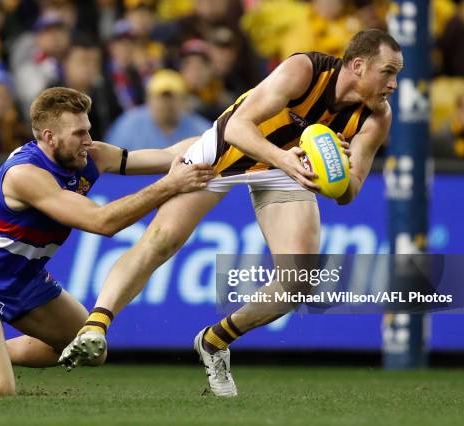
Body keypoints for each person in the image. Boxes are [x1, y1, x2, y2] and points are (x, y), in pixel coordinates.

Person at [59, 29, 403, 397]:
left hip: (288, 169)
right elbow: (239, 125)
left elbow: (350, 192)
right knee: (162, 239)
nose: (394, 84)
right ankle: (95, 325)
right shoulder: (304, 69)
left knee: (299, 280)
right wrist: (284, 159)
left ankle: (215, 340)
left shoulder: (376, 117)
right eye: (388, 72)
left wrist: (334, 171)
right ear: (357, 65)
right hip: (230, 149)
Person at [0, 86, 214, 397]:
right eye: (79, 133)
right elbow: (102, 222)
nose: (88, 141)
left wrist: (226, 132)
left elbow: (171, 155)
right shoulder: (25, 175)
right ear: (49, 137)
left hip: (27, 280)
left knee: (90, 349)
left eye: (88, 130)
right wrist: (169, 185)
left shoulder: (91, 154)